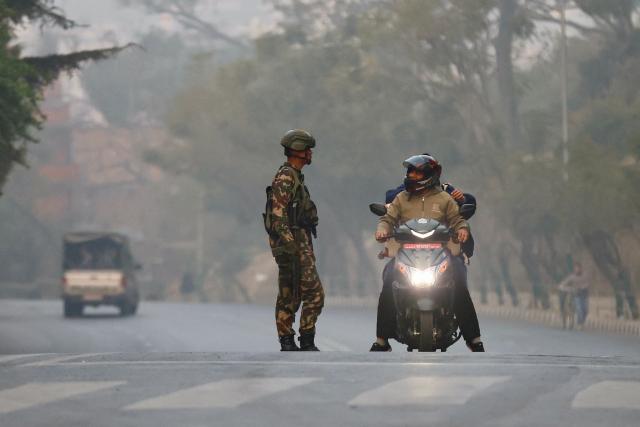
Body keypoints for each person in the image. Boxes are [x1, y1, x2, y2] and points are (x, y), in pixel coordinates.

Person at [370, 154, 484, 352]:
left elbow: (458, 220)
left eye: (416, 172)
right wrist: (382, 229)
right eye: (409, 171)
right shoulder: (401, 198)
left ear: (430, 175)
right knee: (389, 279)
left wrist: (463, 229)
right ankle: (382, 340)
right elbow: (387, 219)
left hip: (443, 253)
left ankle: (473, 339)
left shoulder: (445, 199)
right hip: (407, 253)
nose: (411, 175)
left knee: (459, 280)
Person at [265, 129, 324, 351]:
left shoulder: (295, 176)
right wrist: (290, 246)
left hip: (297, 243)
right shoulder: (287, 177)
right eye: (307, 150)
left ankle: (290, 340)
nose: (310, 154)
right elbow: (279, 215)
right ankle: (302, 338)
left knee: (291, 293)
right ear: (299, 151)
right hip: (292, 245)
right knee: (313, 294)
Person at [558, 262, 590, 328]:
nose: (577, 270)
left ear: (581, 268)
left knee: (586, 310)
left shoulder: (585, 275)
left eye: (578, 268)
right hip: (576, 295)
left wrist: (583, 287)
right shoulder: (572, 277)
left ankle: (582, 321)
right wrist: (562, 286)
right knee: (579, 309)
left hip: (584, 295)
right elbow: (563, 283)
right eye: (575, 268)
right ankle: (579, 323)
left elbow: (588, 283)